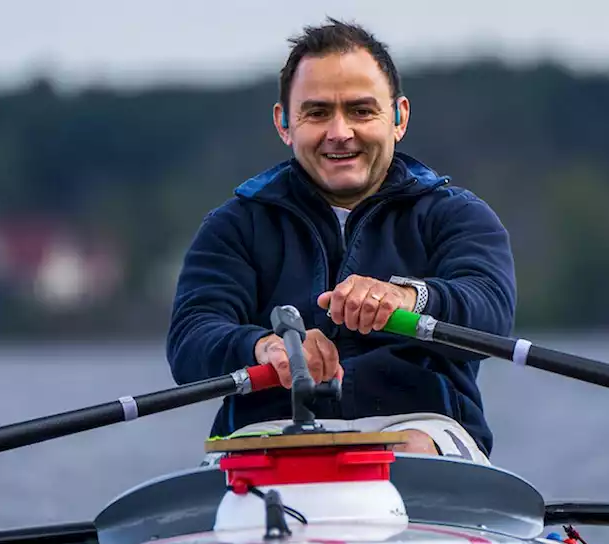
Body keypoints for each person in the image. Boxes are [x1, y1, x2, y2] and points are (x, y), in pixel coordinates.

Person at [165, 19, 516, 463]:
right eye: (316, 113)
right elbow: (190, 339)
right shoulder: (234, 225)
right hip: (272, 431)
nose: (339, 132)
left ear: (399, 118)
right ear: (284, 124)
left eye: (361, 111)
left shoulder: (458, 215)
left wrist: (408, 298)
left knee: (411, 449)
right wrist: (267, 348)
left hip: (419, 427)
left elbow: (491, 313)